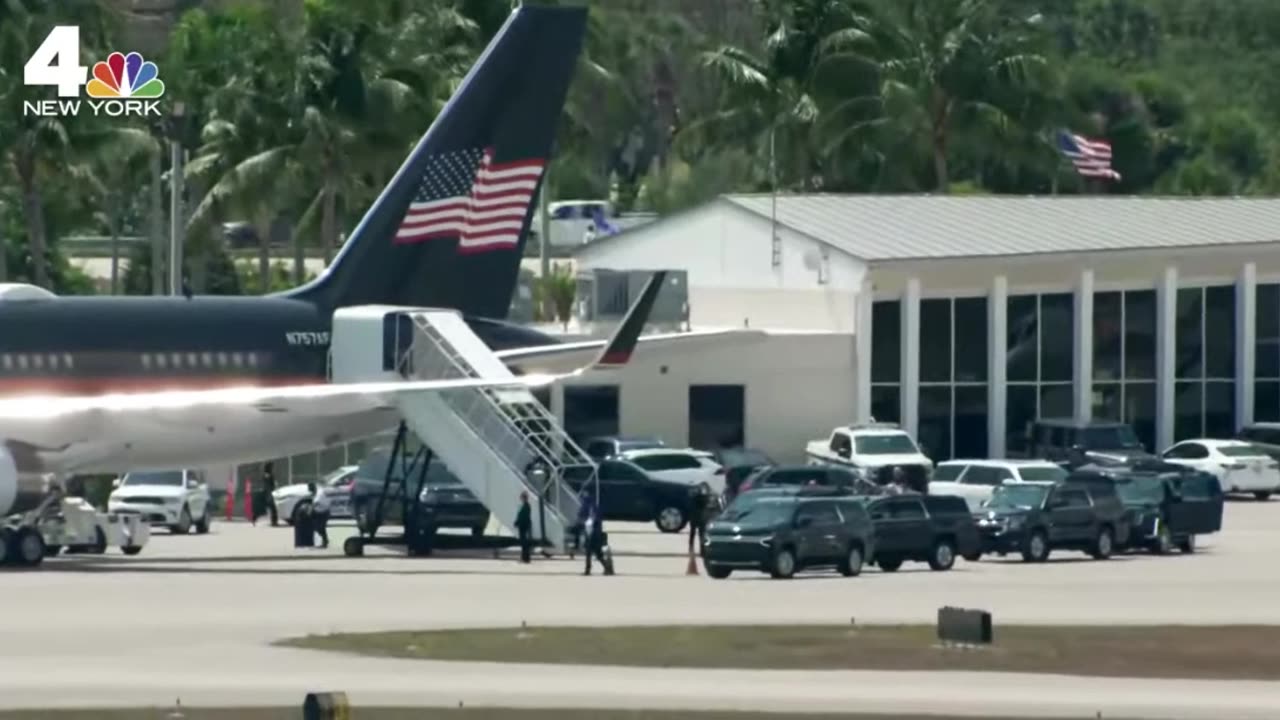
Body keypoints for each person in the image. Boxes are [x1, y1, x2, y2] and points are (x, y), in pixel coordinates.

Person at [582, 506, 613, 576]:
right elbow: (587, 529)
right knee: (590, 556)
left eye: (592, 511)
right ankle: (588, 569)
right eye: (591, 511)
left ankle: (606, 568)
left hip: (593, 540)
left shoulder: (596, 521)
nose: (591, 512)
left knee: (598, 556)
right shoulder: (590, 519)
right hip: (590, 539)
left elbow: (596, 531)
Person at [688, 483, 711, 555]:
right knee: (700, 534)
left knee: (694, 533)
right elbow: (706, 503)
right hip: (700, 517)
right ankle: (702, 550)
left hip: (695, 517)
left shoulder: (694, 497)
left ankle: (692, 548)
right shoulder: (704, 498)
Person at [309, 482, 331, 548]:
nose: (311, 492)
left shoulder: (320, 493)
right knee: (320, 528)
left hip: (324, 512)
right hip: (320, 512)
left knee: (320, 527)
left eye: (311, 490)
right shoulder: (316, 492)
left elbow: (316, 502)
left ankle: (325, 541)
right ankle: (325, 541)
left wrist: (310, 509)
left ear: (314, 488)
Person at [515, 491, 533, 563]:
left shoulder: (526, 506)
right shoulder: (524, 505)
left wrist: (518, 522)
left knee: (524, 542)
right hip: (522, 525)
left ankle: (525, 558)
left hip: (523, 525)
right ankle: (524, 557)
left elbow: (523, 517)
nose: (521, 498)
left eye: (522, 497)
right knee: (523, 542)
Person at [263, 462, 278, 526]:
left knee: (272, 508)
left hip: (267, 492)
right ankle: (274, 521)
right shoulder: (270, 475)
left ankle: (273, 521)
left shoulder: (265, 475)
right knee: (273, 508)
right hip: (271, 493)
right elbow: (272, 484)